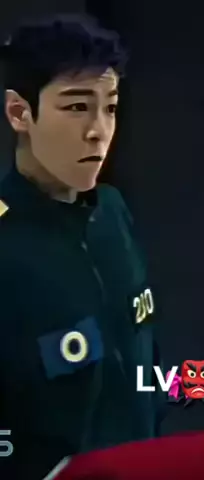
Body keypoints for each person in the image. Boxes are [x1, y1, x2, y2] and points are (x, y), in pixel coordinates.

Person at [0, 14, 164, 479]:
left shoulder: (112, 212)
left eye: (109, 108)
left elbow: (144, 358)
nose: (98, 130)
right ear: (20, 114)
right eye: (76, 107)